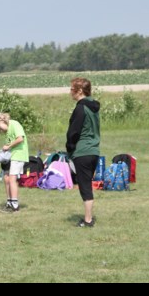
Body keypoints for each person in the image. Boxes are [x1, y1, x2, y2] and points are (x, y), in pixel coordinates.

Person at [67, 77, 101, 227]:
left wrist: (70, 148)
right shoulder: (93, 107)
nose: (70, 92)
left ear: (79, 91)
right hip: (94, 150)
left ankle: (87, 220)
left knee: (85, 187)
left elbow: (74, 132)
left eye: (71, 89)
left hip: (82, 151)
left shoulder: (80, 108)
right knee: (87, 184)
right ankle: (88, 217)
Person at [0, 112, 28, 213]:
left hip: (18, 155)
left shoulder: (14, 124)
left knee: (12, 178)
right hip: (11, 155)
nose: (0, 130)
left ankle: (15, 204)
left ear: (1, 121)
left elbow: (20, 138)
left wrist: (9, 146)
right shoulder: (7, 131)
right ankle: (9, 201)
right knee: (6, 178)